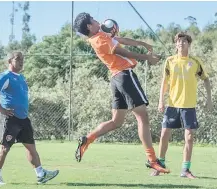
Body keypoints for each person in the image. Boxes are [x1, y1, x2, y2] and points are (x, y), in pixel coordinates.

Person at [73, 12, 170, 174]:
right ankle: (152, 160)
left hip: (116, 78)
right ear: (89, 26)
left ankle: (87, 139)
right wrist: (147, 57)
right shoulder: (99, 40)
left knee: (116, 122)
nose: (98, 21)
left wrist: (142, 43)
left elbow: (121, 40)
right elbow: (123, 52)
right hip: (125, 75)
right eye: (94, 20)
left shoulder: (100, 35)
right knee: (142, 117)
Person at [0, 52, 59, 185]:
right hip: (10, 118)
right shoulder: (5, 76)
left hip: (23, 118)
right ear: (10, 61)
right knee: (5, 148)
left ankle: (40, 174)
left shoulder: (21, 77)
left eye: (22, 59)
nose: (21, 61)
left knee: (31, 147)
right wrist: (1, 109)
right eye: (18, 59)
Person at [151, 32, 213, 178]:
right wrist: (161, 100)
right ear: (175, 45)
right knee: (164, 134)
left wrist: (209, 99)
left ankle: (185, 170)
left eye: (184, 41)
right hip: (172, 105)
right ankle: (160, 165)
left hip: (189, 106)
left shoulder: (195, 62)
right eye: (178, 42)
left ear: (189, 44)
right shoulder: (170, 61)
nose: (180, 44)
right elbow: (164, 83)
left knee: (189, 137)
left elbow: (206, 79)